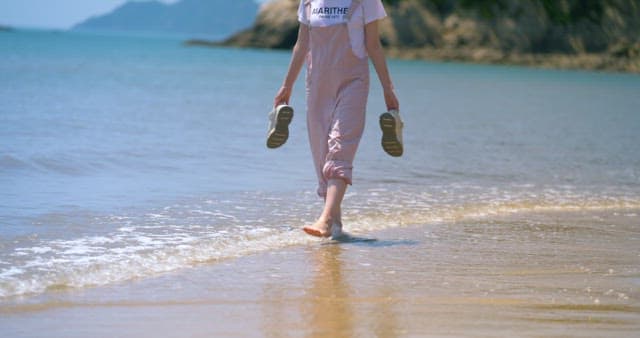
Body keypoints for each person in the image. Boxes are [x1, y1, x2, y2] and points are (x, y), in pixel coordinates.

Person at [271, 0, 402, 238]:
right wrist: (286, 85)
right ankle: (336, 230)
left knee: (340, 147)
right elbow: (301, 46)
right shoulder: (309, 2)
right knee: (321, 155)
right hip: (317, 85)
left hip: (353, 82)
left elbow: (373, 45)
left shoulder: (365, 1)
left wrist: (388, 88)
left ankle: (326, 219)